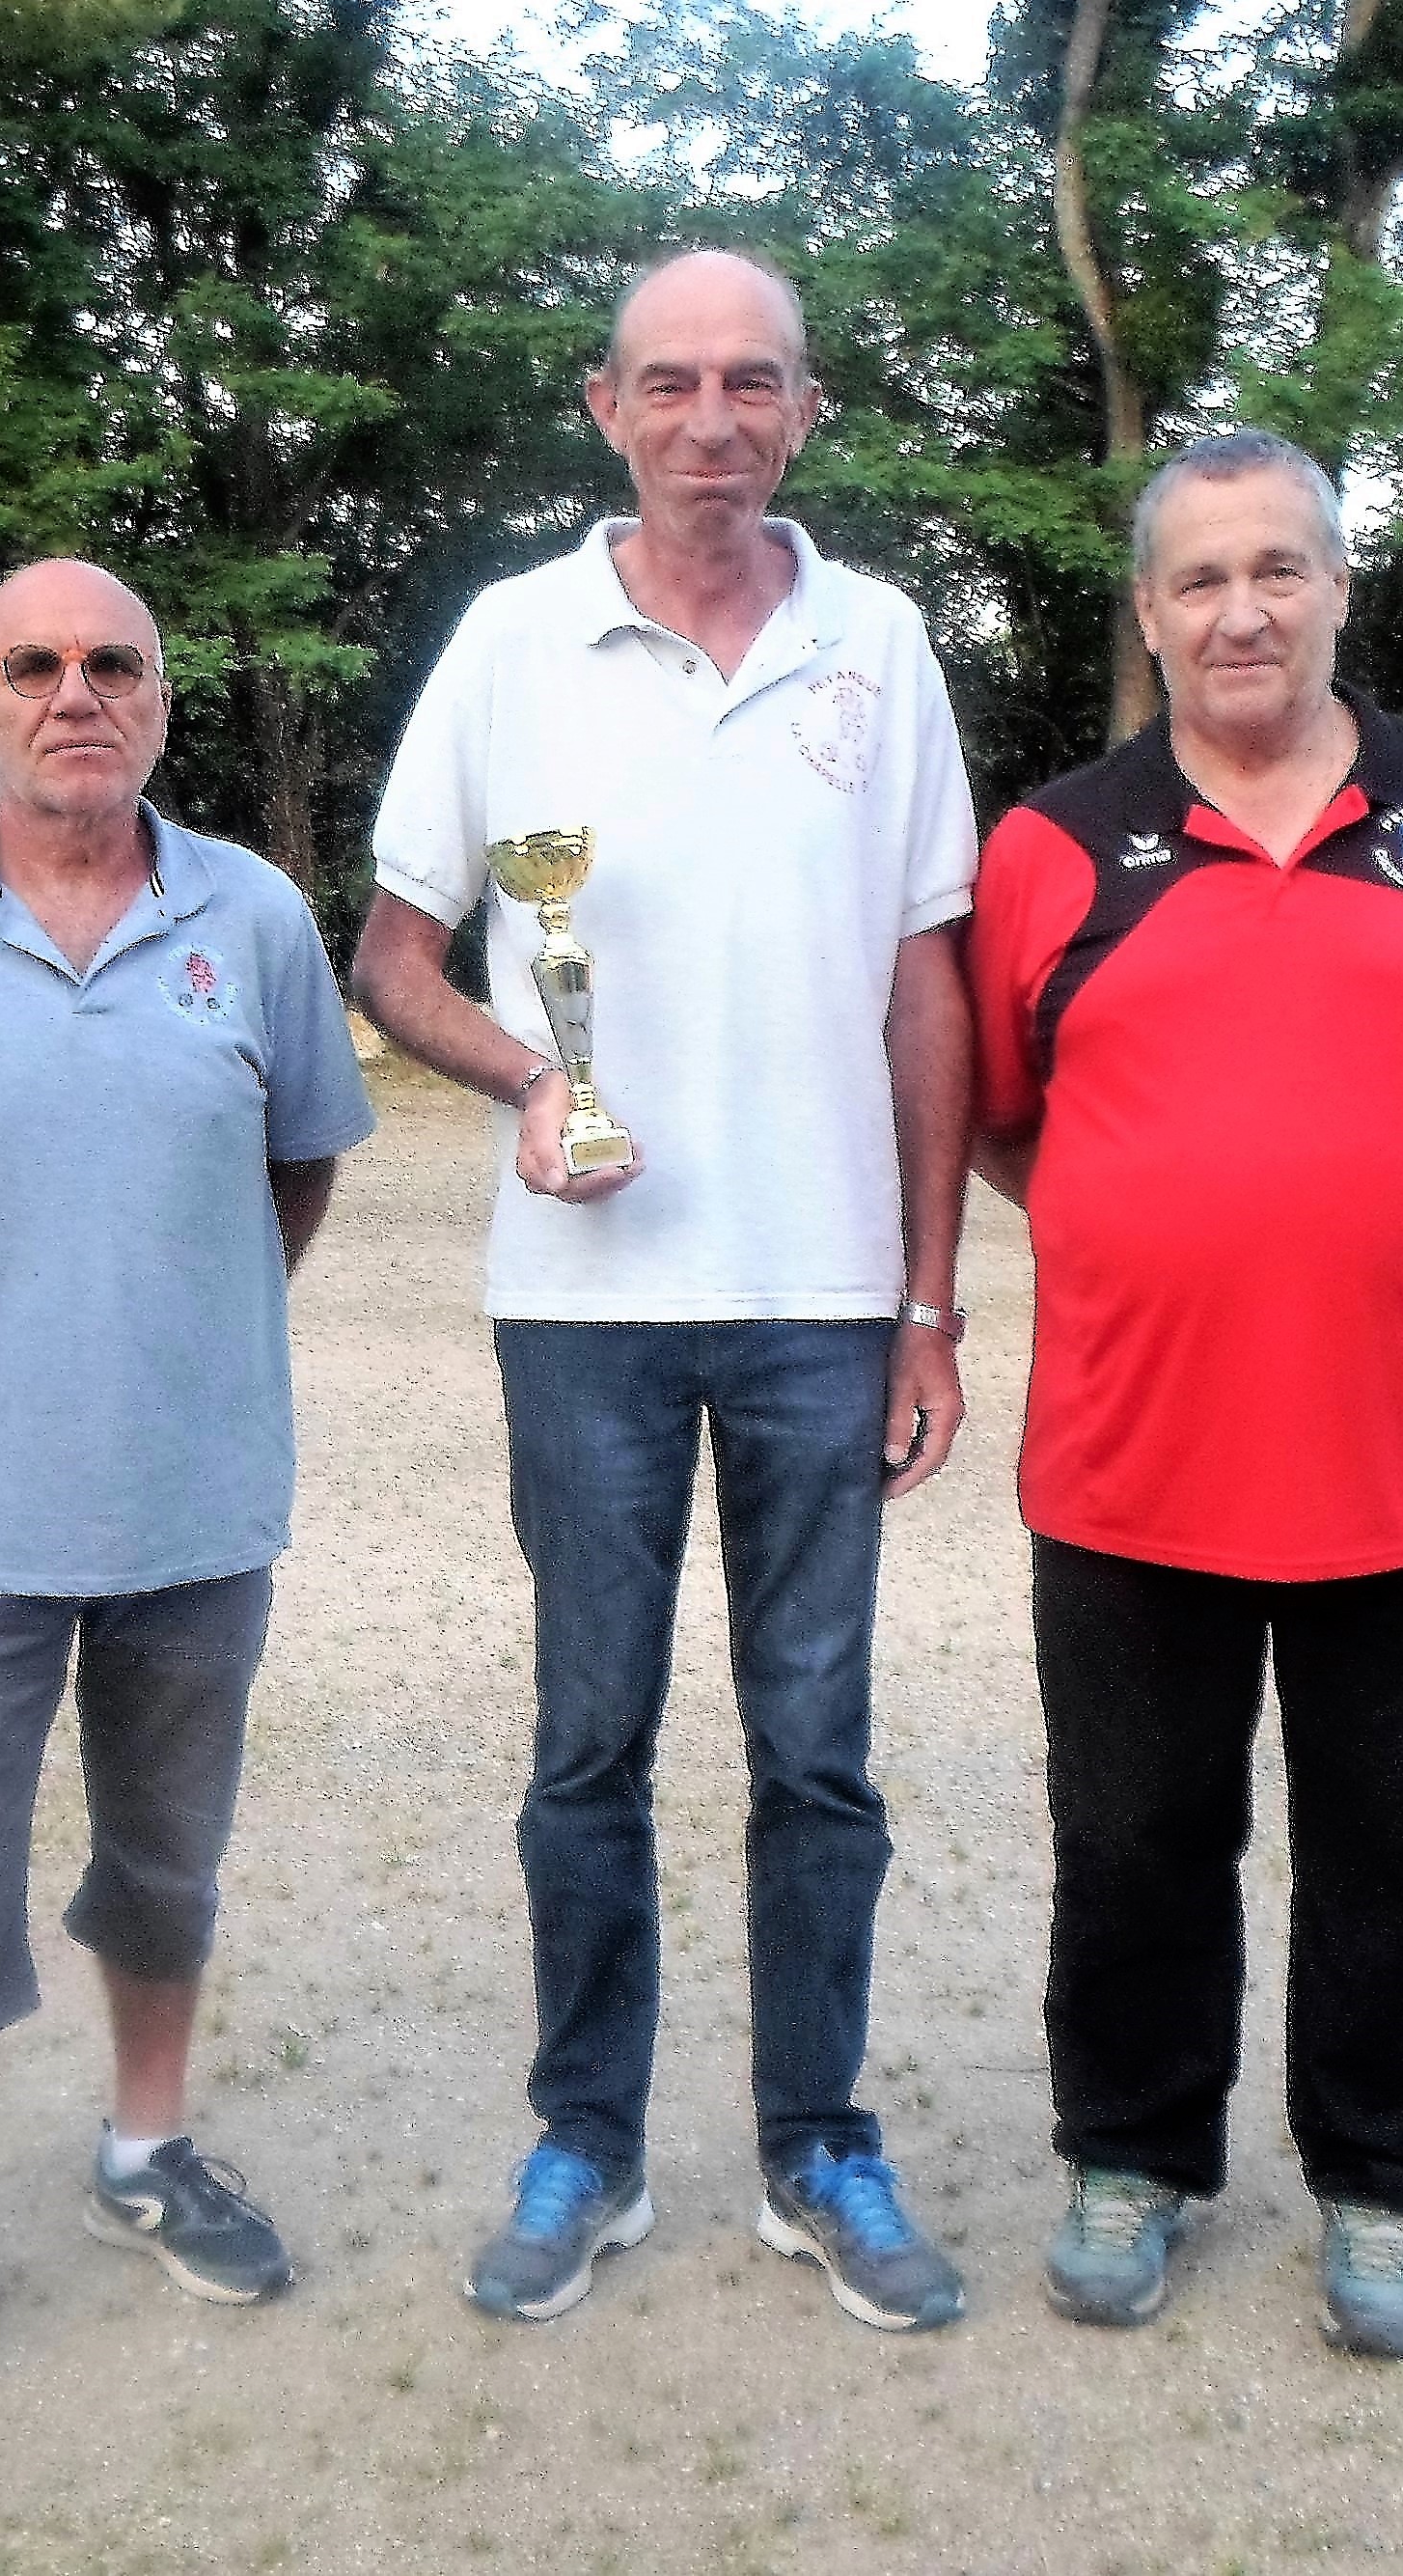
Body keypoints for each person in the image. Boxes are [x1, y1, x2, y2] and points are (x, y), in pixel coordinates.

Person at [353, 250, 982, 2334]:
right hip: (584, 1302)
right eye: (671, 382)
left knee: (817, 1749)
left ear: (804, 410)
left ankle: (816, 2142)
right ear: (602, 404)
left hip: (819, 1300)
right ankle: (587, 2141)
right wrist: (539, 1082)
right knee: (583, 1745)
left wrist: (925, 1299)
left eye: (754, 382)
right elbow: (394, 955)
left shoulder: (879, 643)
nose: (712, 417)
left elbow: (925, 978)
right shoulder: (510, 640)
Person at [965, 428, 1403, 2360]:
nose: (1240, 609)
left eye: (1276, 568)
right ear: (1147, 614)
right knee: (1135, 1840)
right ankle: (1130, 2152)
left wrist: (1353, 1207)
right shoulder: (1051, 842)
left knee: (1387, 1848)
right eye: (1197, 578)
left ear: (1336, 585)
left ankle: (1386, 2185)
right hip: (1131, 1460)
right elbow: (997, 1116)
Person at [0, 557, 374, 2398]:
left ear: (161, 701)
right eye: (29, 665)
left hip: (198, 1501)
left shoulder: (253, 915)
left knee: (164, 1861)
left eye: (114, 661)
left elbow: (297, 1163)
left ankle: (144, 2146)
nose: (74, 693)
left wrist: (179, 1324)